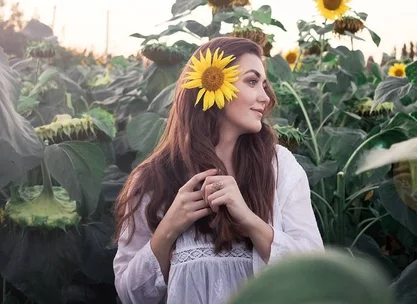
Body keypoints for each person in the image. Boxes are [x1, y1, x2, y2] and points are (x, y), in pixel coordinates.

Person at [112, 37, 324, 304]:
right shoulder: (154, 178)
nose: (265, 97)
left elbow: (315, 273)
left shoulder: (280, 168)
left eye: (264, 84)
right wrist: (168, 229)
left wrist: (250, 221)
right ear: (213, 84)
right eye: (251, 81)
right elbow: (130, 294)